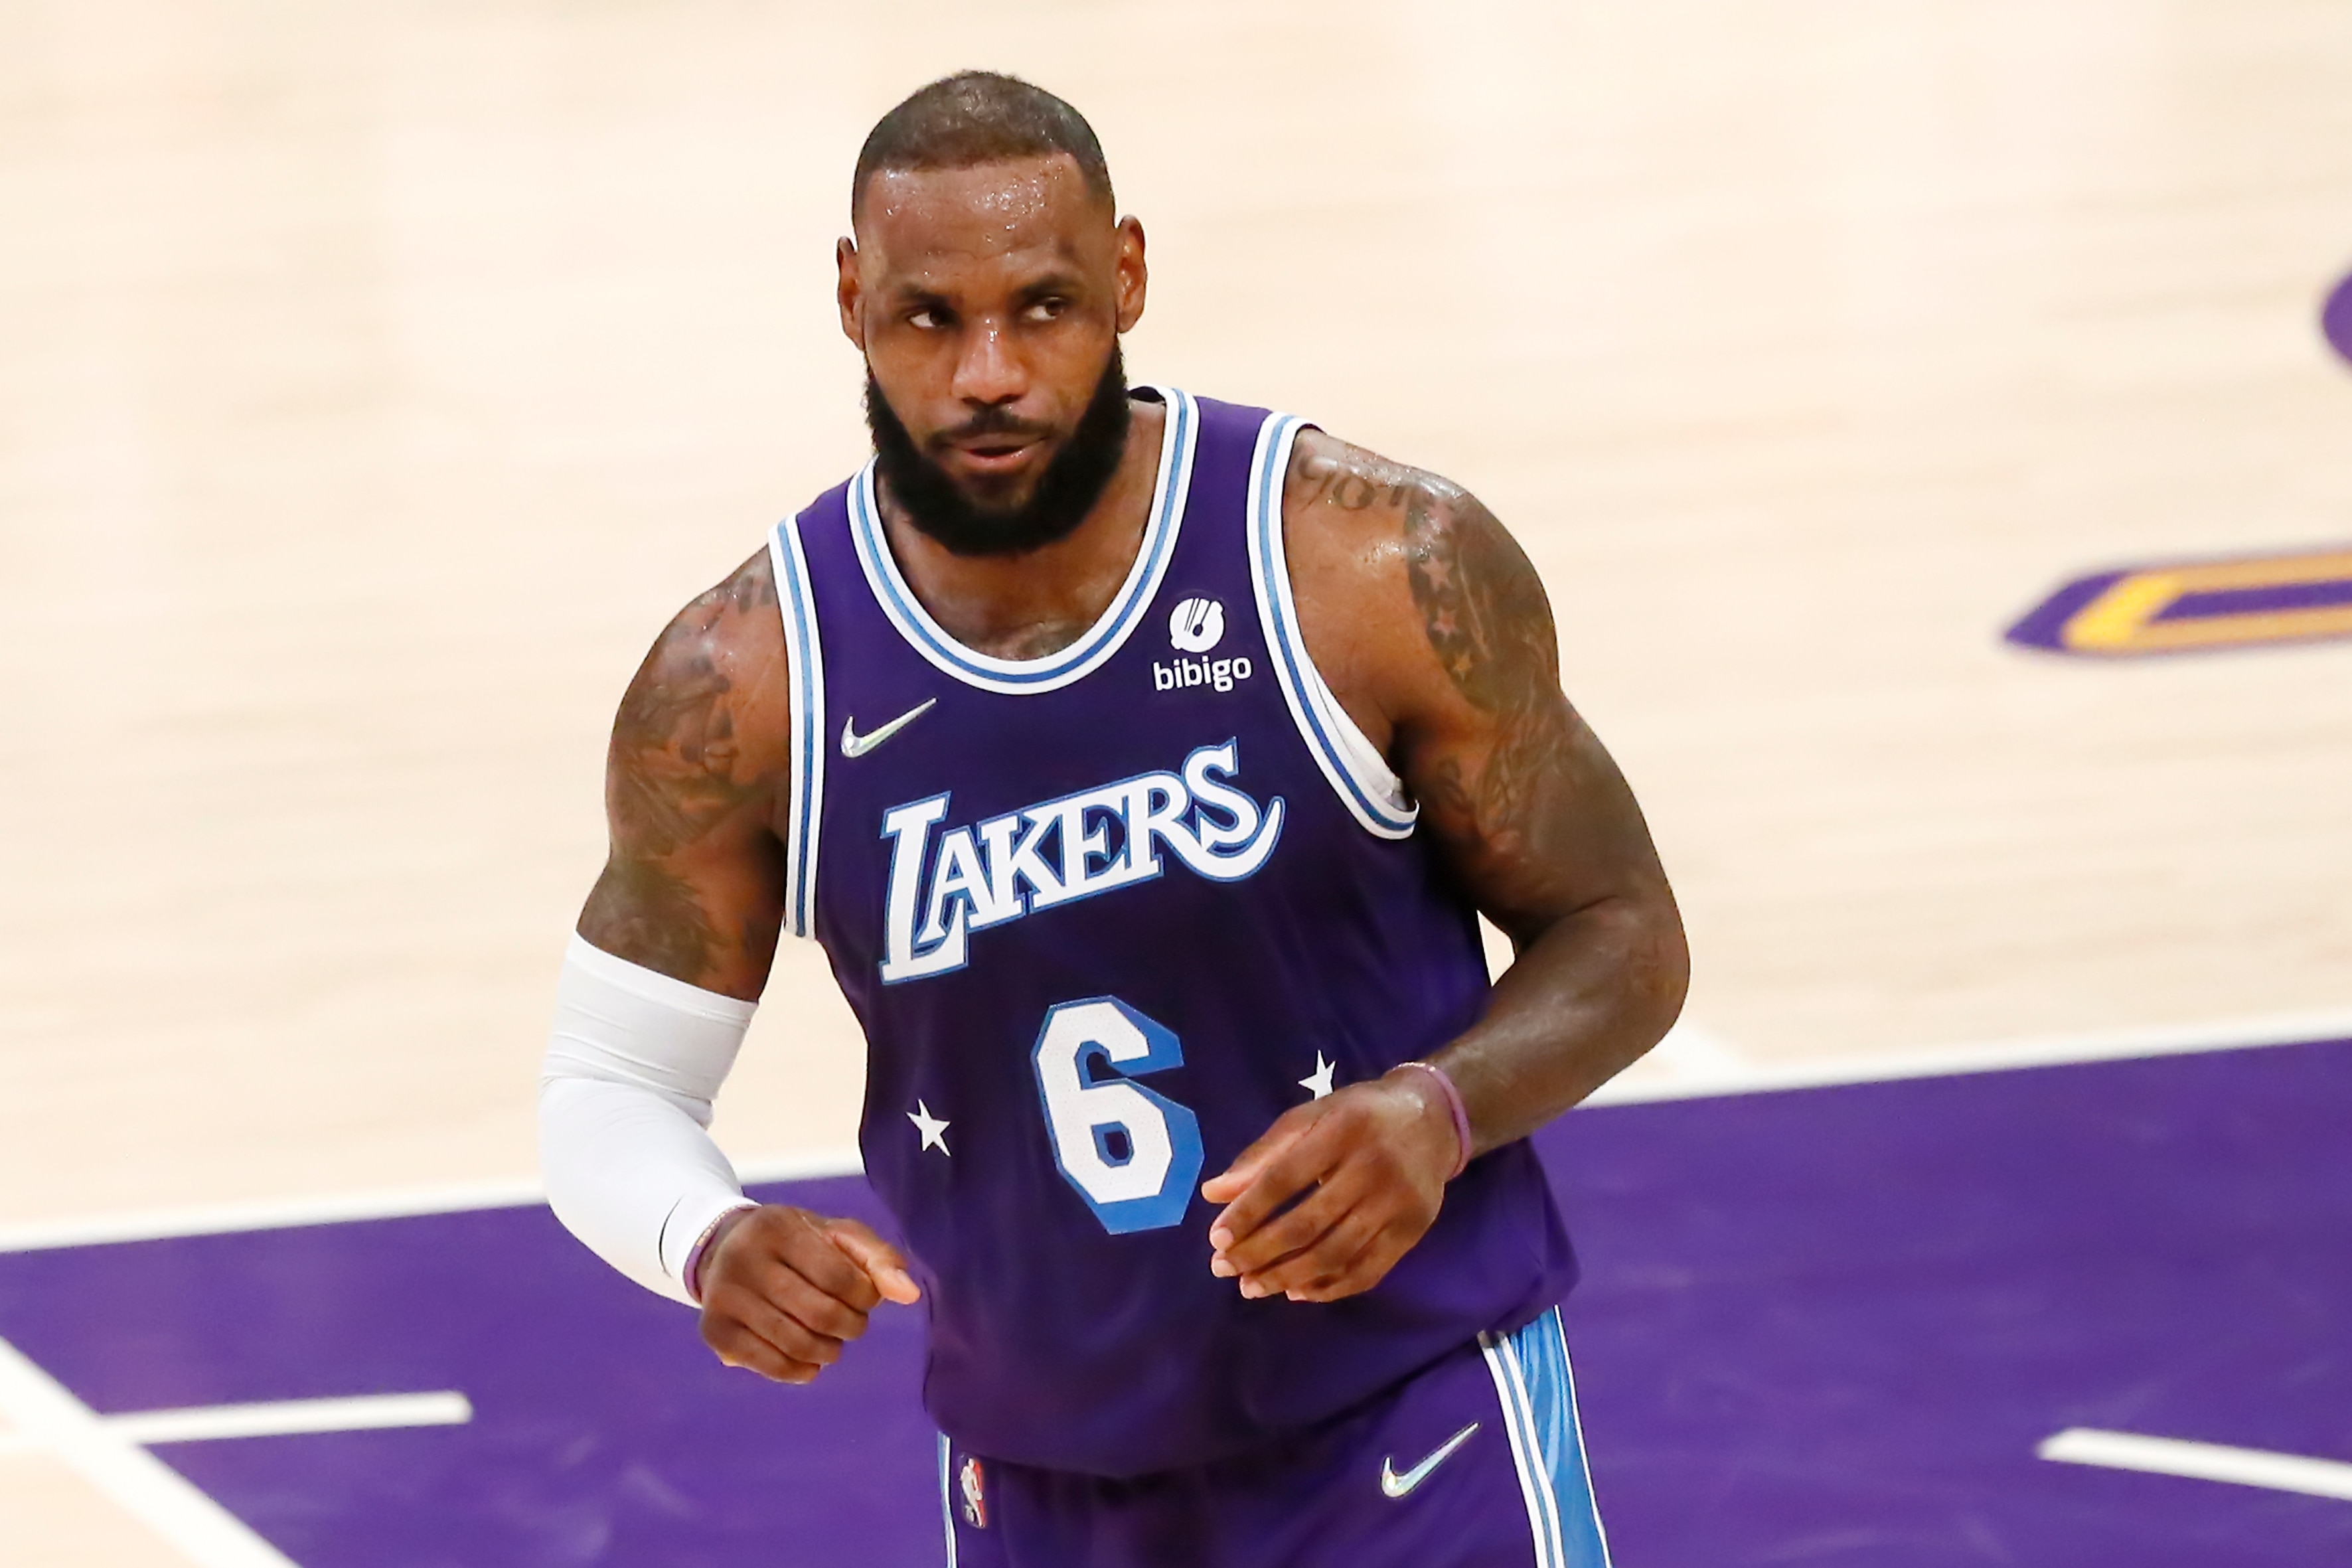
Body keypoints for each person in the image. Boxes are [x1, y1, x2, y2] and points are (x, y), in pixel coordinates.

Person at [539, 70, 1688, 1568]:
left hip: (1416, 1427)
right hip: (1039, 1487)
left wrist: (1436, 1107)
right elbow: (610, 1081)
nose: (987, 374)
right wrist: (707, 1236)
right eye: (928, 317)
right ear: (848, 300)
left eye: (1043, 306)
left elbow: (1623, 932)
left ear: (1129, 278)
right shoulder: (750, 679)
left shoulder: (1360, 565)